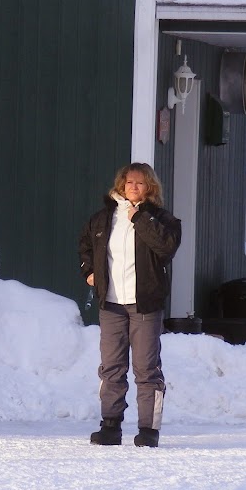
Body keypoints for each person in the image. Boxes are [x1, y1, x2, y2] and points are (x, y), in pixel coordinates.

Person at [78, 162, 181, 448]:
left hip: (145, 304)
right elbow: (85, 245)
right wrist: (89, 271)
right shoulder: (103, 219)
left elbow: (167, 247)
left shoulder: (162, 219)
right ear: (121, 185)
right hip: (111, 304)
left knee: (146, 369)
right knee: (111, 367)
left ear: (150, 188)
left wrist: (140, 219)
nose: (133, 187)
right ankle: (110, 426)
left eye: (140, 183)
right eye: (129, 182)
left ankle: (148, 430)